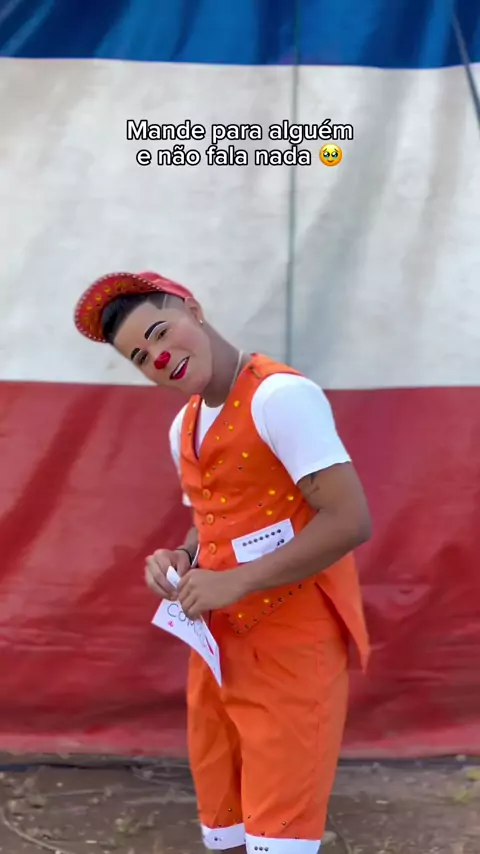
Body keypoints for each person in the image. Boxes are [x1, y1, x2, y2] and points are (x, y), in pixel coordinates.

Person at [74, 270, 372, 854]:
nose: (160, 357)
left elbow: (348, 520)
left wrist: (236, 581)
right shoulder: (184, 425)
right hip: (218, 646)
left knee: (281, 830)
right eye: (141, 357)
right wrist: (183, 555)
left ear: (192, 309)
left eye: (160, 332)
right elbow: (216, 517)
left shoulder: (280, 398)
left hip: (293, 642)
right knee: (227, 814)